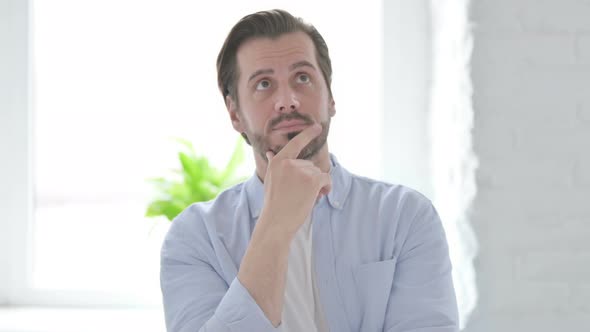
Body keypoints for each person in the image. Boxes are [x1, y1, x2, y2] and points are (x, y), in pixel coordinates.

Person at [160, 9, 459, 332]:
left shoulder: (404, 216)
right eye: (263, 84)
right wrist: (276, 222)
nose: (287, 101)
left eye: (302, 78)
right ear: (235, 114)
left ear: (330, 96)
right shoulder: (195, 238)